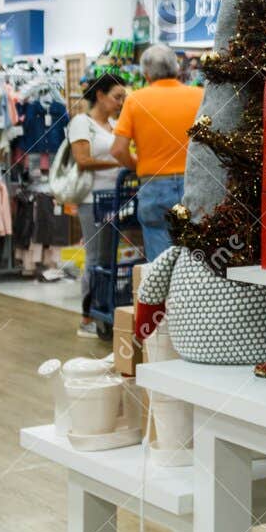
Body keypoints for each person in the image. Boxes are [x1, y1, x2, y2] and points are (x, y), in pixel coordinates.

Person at [110, 44, 202, 262]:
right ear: (177, 69)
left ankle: (164, 296)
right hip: (196, 183)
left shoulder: (135, 100)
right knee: (197, 255)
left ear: (146, 74)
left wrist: (136, 165)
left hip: (154, 185)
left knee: (160, 264)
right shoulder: (200, 96)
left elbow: (118, 149)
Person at [68, 74, 126, 338]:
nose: (121, 102)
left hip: (115, 200)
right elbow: (82, 159)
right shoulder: (82, 122)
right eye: (116, 96)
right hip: (92, 201)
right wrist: (121, 163)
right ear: (100, 95)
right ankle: (87, 317)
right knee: (94, 259)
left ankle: (105, 311)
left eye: (123, 97)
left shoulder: (114, 124)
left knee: (107, 259)